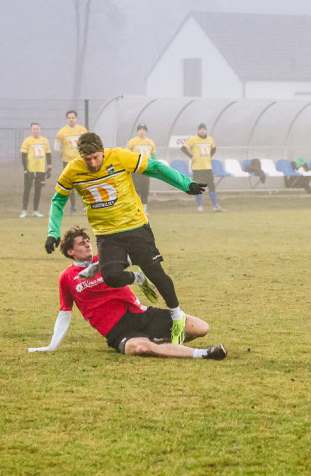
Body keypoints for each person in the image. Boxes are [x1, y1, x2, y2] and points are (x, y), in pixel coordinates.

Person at [43, 132, 207, 345]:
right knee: (110, 276)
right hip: (106, 235)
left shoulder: (120, 157)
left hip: (136, 227)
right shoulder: (72, 170)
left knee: (156, 273)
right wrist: (52, 233)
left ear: (102, 151)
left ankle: (177, 317)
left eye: (95, 157)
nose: (92, 163)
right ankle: (136, 276)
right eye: (87, 159)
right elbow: (57, 201)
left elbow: (155, 167)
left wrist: (185, 184)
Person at [29, 226, 226, 359]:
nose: (88, 244)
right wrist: (52, 346)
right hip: (117, 330)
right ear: (70, 251)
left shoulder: (105, 261)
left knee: (201, 328)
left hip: (141, 315)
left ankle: (162, 339)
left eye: (89, 241)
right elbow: (65, 312)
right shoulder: (67, 277)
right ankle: (204, 353)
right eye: (82, 243)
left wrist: (133, 277)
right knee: (140, 347)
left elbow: (139, 256)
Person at [181, 123, 225, 212]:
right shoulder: (193, 139)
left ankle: (216, 206)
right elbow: (183, 148)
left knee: (211, 186)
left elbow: (214, 149)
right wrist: (191, 156)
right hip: (197, 168)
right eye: (200, 129)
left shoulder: (210, 139)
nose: (202, 130)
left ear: (206, 130)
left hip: (207, 167)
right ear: (198, 131)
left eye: (204, 129)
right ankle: (200, 206)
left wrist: (209, 156)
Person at [55, 110, 87, 212]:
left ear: (76, 118)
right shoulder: (62, 132)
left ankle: (85, 205)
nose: (71, 119)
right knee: (70, 184)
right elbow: (57, 147)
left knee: (83, 183)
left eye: (73, 117)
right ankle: (73, 206)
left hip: (81, 161)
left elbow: (87, 144)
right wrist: (62, 154)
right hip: (67, 162)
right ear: (67, 119)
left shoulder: (82, 130)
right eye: (69, 118)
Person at [20, 122, 52, 218]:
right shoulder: (27, 141)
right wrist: (25, 169)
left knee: (38, 190)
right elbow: (23, 156)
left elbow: (48, 155)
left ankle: (35, 210)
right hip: (30, 169)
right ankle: (24, 211)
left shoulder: (45, 141)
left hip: (40, 170)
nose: (36, 131)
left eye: (37, 129)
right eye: (34, 129)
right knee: (27, 190)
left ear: (40, 129)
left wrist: (49, 168)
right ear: (31, 130)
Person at [126, 123, 156, 213]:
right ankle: (136, 208)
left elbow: (154, 157)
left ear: (146, 131)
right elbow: (127, 155)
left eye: (144, 129)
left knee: (145, 189)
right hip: (136, 169)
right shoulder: (132, 141)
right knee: (136, 189)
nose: (142, 131)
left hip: (146, 169)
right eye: (140, 129)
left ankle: (144, 209)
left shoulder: (150, 142)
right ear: (137, 131)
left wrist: (154, 167)